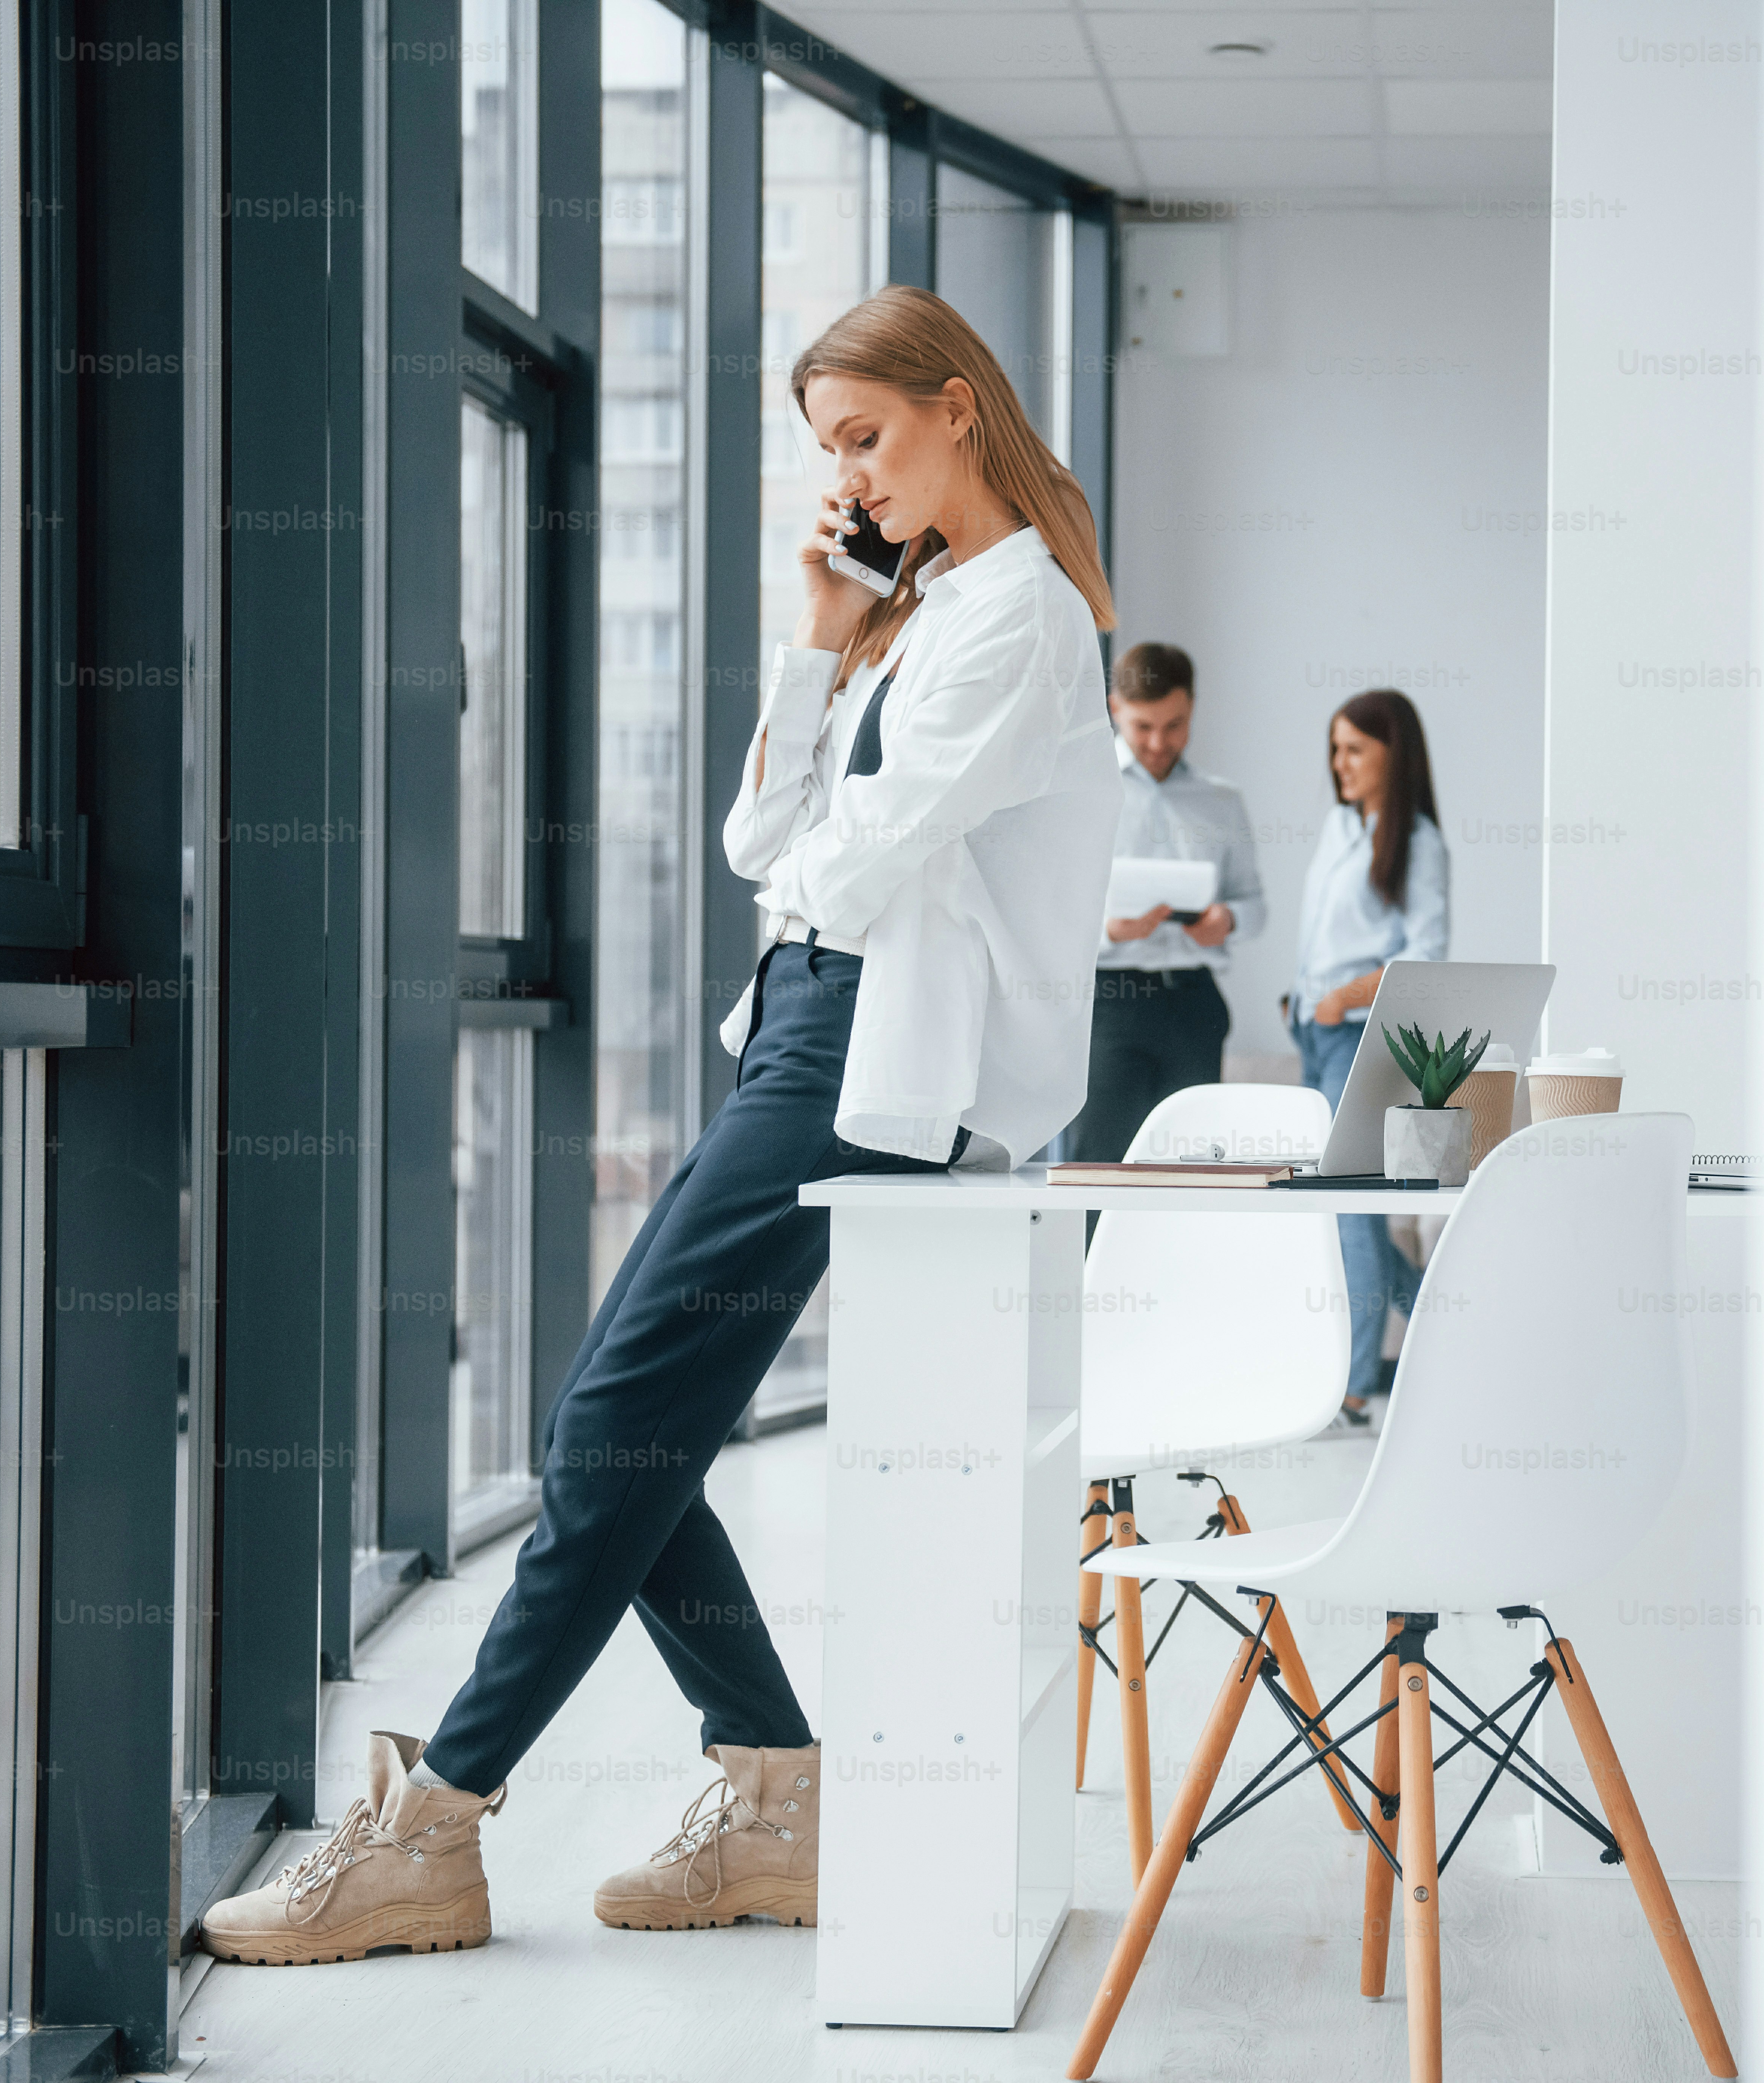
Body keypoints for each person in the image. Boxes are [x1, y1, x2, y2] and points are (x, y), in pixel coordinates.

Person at [200, 285, 1118, 1963]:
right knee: (606, 1429)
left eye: (867, 436)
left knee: (611, 1418)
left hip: (873, 1049)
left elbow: (840, 861)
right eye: (829, 447)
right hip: (810, 1025)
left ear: (956, 410)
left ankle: (437, 1824)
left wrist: (818, 828)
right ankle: (772, 1786)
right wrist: (823, 630)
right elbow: (760, 833)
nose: (851, 472)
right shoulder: (918, 619)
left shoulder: (1021, 618)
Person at [1285, 687, 1449, 1426]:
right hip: (1314, 1032)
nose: (1339, 764)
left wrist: (1342, 997)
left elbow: (1426, 959)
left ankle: (1349, 1389)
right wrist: (1305, 1004)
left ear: (1394, 755)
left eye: (1355, 749)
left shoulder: (1418, 841)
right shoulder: (1339, 828)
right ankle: (1444, 1330)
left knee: (1349, 1210)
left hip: (1361, 1037)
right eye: (1334, 749)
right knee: (1347, 1214)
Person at [1066, 641, 1266, 1195]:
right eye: (1143, 726)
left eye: (1174, 725)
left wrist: (1227, 920)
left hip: (1193, 1004)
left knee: (1194, 1171)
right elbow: (1053, 912)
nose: (1159, 743)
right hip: (1109, 1005)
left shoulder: (1221, 802)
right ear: (1114, 709)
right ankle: (1088, 1283)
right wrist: (1109, 930)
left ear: (1193, 708)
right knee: (1101, 1167)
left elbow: (1254, 904)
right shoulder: (1081, 791)